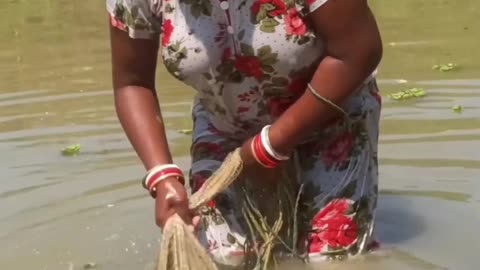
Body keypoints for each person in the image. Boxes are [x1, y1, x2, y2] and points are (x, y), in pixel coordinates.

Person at [107, 0, 383, 267]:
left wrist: (272, 146)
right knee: (224, 256)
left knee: (332, 259)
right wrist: (162, 175)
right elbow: (132, 82)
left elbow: (359, 51)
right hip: (227, 128)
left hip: (331, 121)